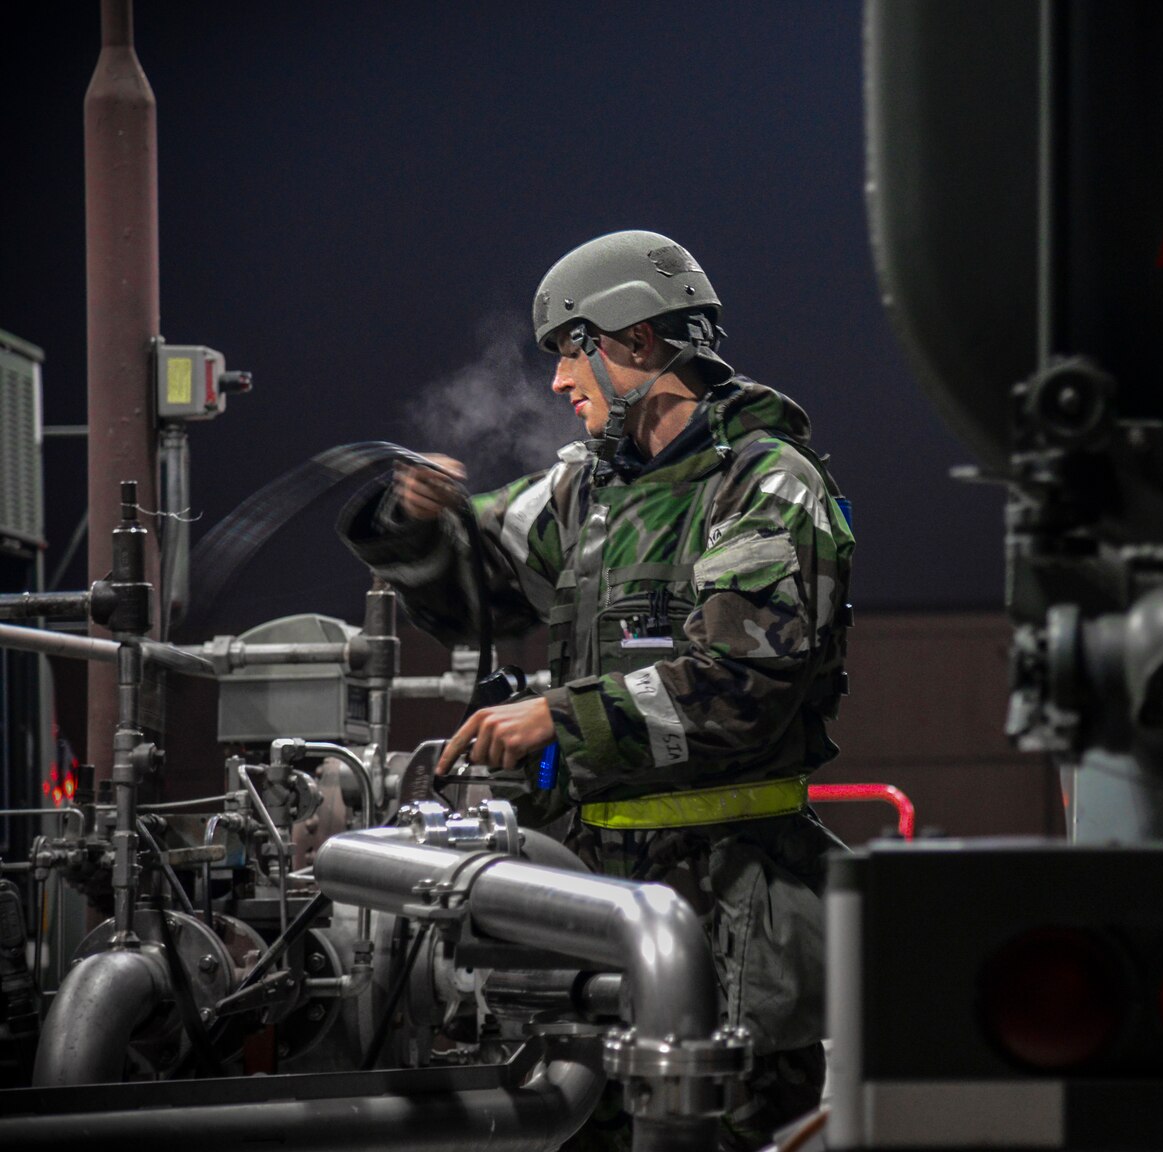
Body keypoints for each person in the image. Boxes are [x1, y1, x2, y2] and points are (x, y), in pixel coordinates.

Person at [340, 230, 854, 1150]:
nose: (554, 383)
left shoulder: (767, 486)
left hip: (732, 914)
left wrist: (556, 716)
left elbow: (742, 688)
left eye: (568, 352)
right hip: (593, 909)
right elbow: (477, 588)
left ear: (636, 343)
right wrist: (410, 524)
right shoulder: (587, 491)